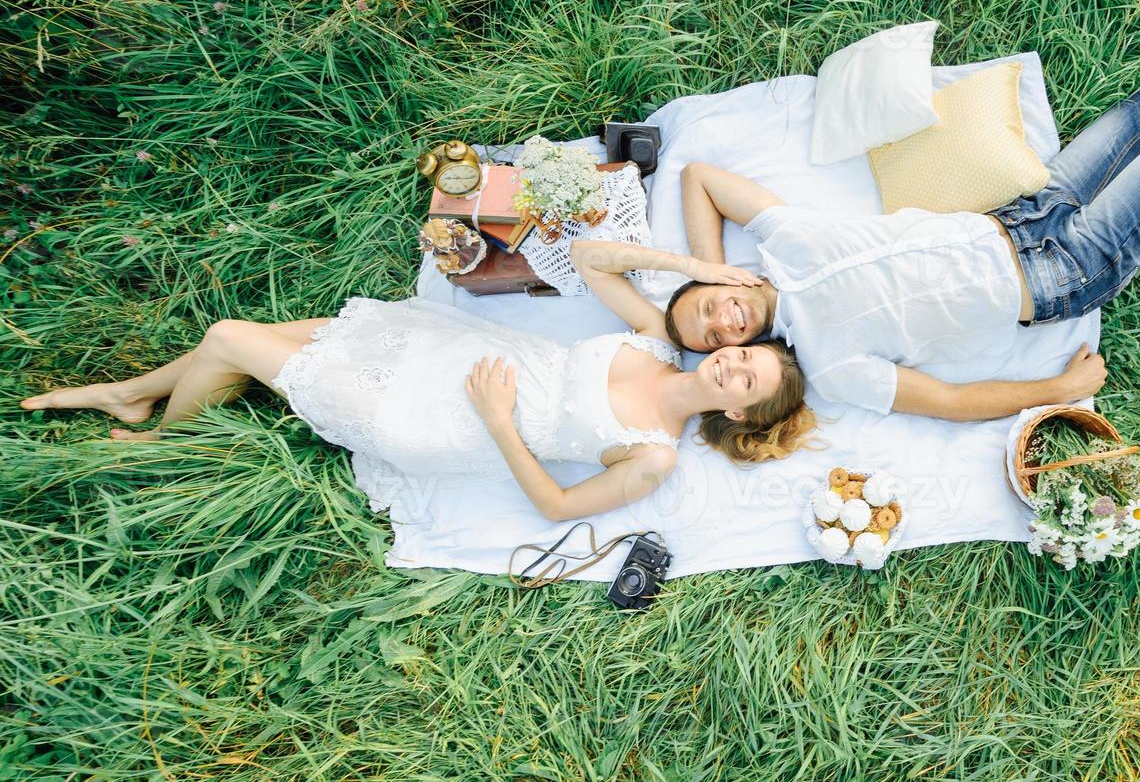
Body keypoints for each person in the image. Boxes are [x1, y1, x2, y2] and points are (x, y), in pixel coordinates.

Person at [659, 85, 1140, 421]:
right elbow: (951, 400)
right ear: (747, 345)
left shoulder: (785, 241)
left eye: (703, 313)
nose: (720, 325)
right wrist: (1055, 392)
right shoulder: (832, 366)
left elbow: (700, 180)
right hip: (1059, 272)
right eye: (716, 339)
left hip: (1024, 212)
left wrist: (701, 266)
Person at [20, 242, 816, 521]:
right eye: (746, 349)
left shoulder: (657, 456)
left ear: (741, 413)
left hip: (449, 417)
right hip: (447, 346)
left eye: (747, 375)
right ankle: (136, 394)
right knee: (246, 343)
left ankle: (163, 435)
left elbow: (558, 506)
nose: (732, 358)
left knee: (230, 337)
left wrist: (501, 419)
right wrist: (697, 269)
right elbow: (590, 261)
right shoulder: (655, 341)